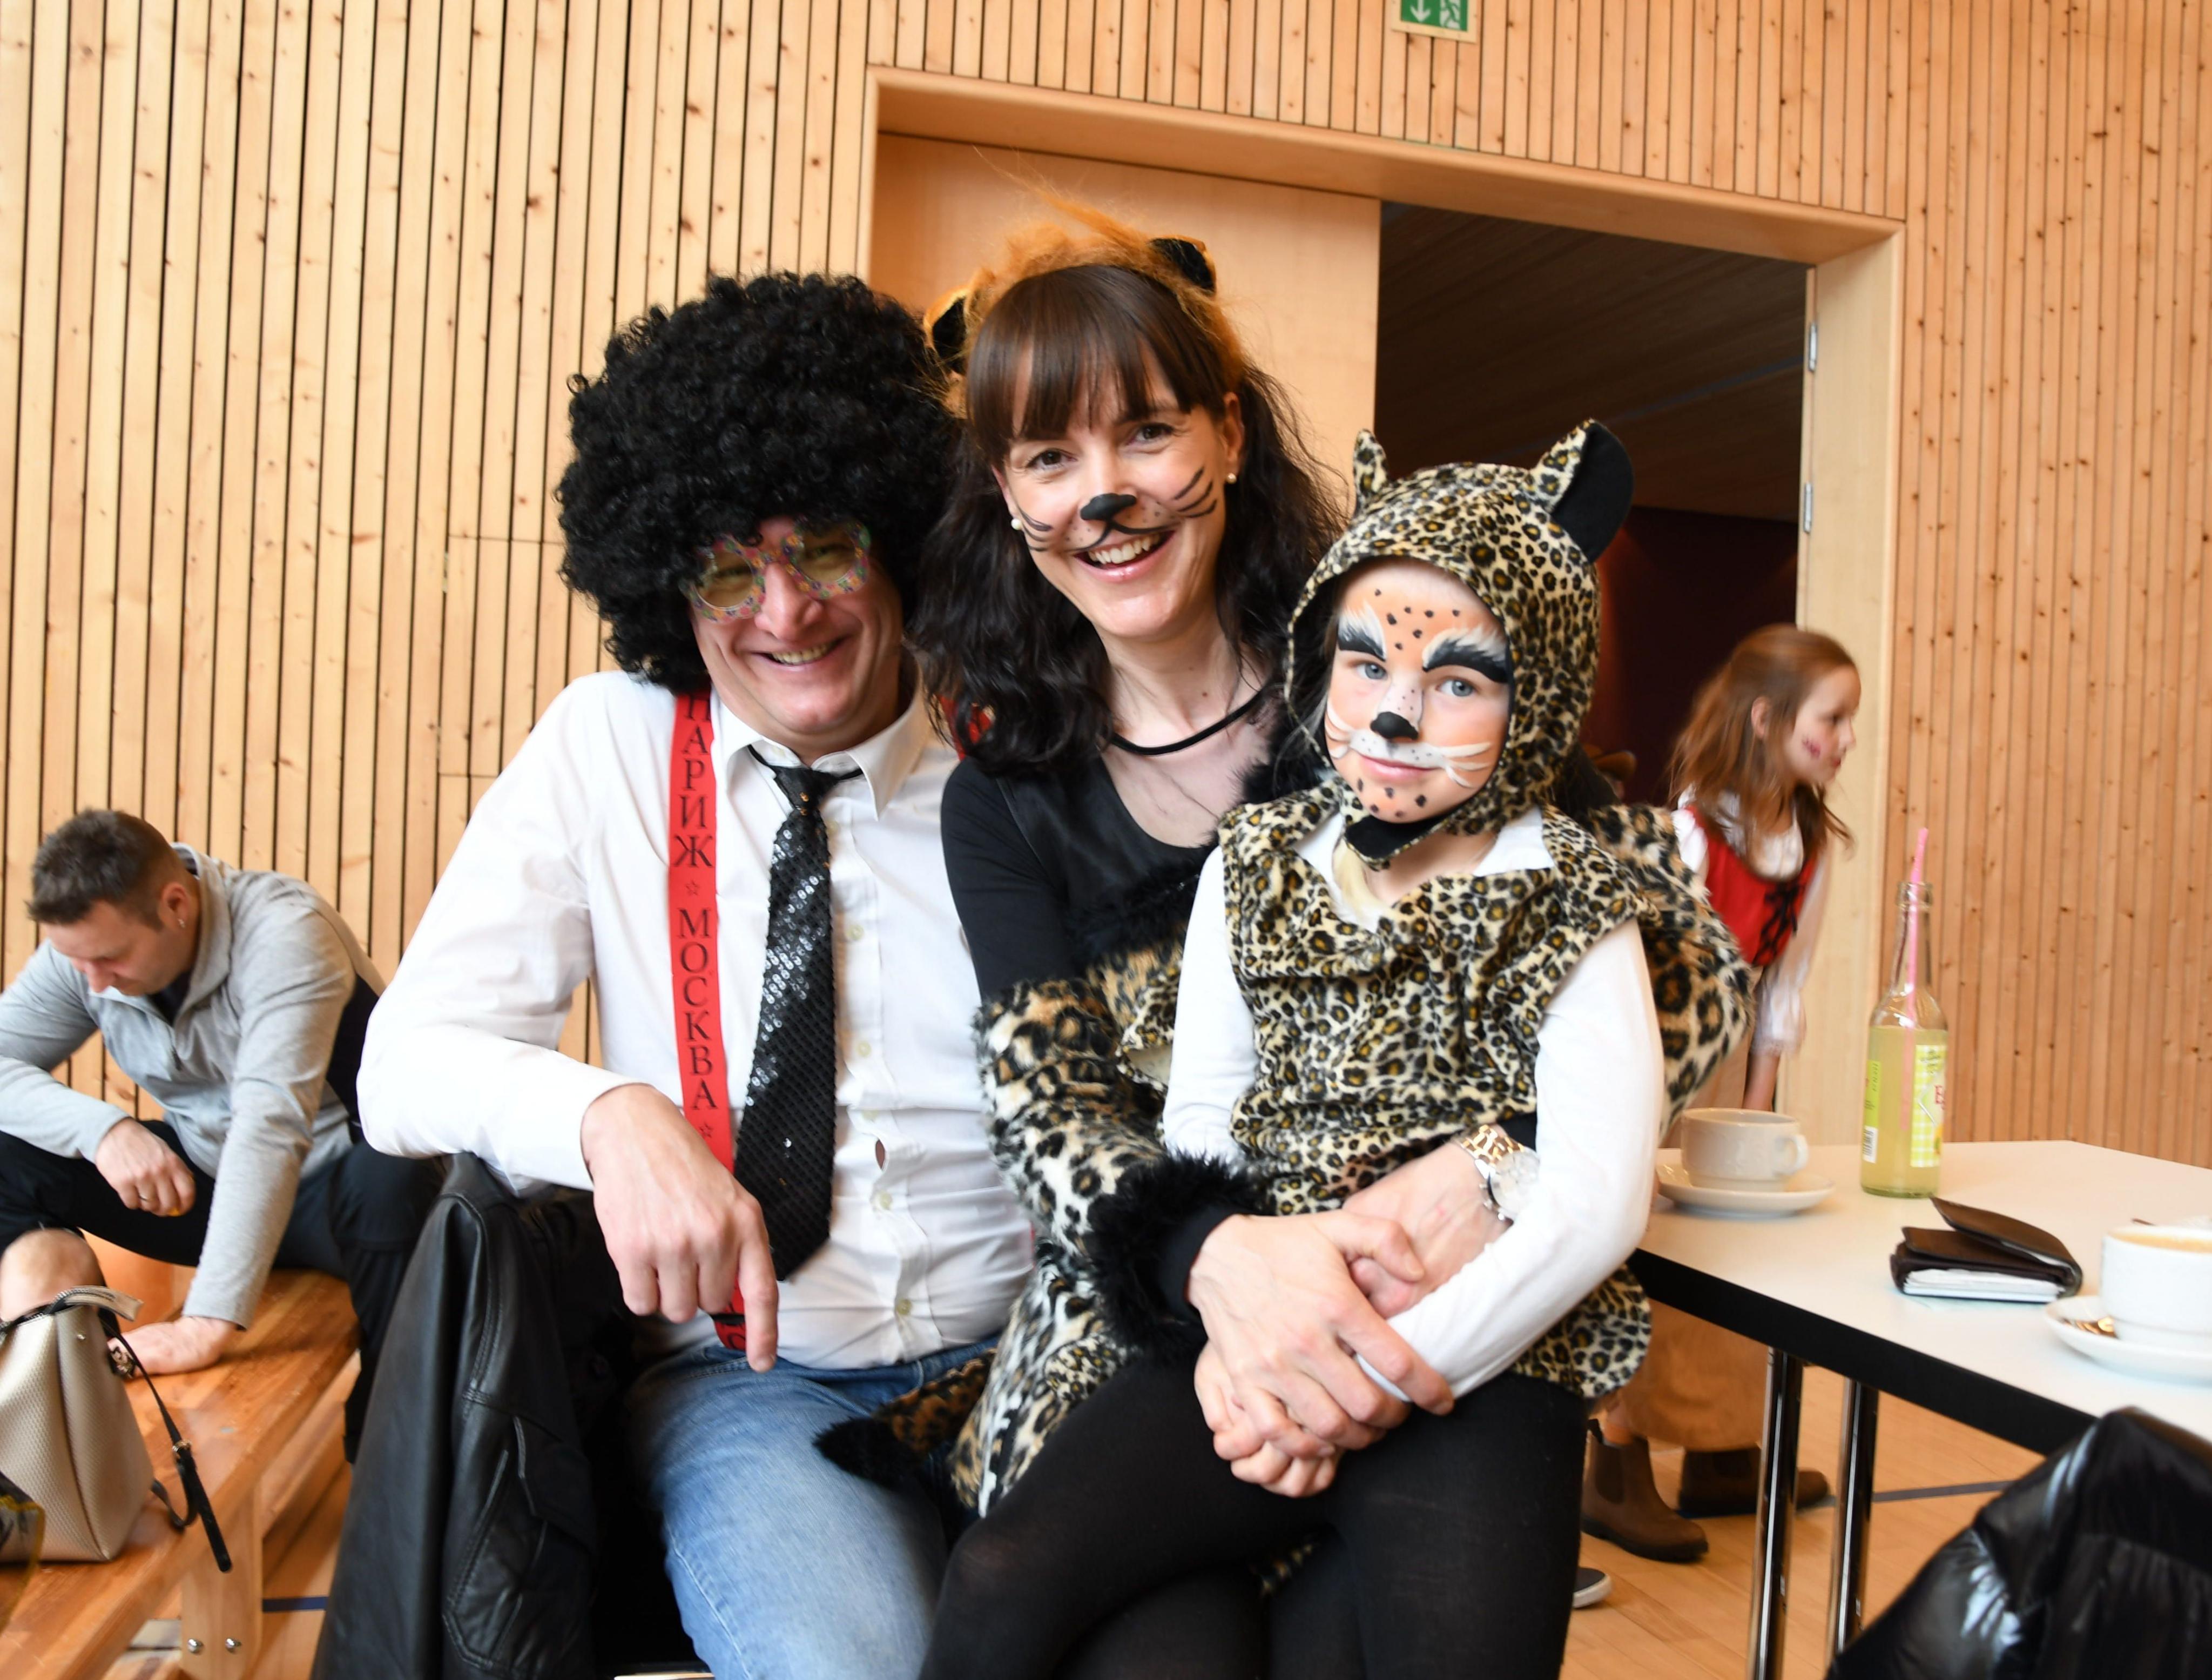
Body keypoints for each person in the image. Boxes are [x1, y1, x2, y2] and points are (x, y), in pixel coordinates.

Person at [915, 424, 1754, 1676]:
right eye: (1365, 663)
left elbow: (1593, 1200)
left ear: (1535, 695)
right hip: (1260, 1314)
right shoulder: (1255, 861)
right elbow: (1201, 1112)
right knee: (1001, 1576)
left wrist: (1375, 1370)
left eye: (1458, 681)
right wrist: (1251, 1342)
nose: (1398, 712)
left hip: (1480, 1344)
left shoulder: (1575, 893)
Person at [353, 272, 1034, 1679]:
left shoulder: (1014, 741)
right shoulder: (605, 744)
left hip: (1039, 1355)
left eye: (826, 548)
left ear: (900, 532)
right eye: (729, 569)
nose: (785, 610)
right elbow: (401, 1065)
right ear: (668, 582)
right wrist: (610, 1116)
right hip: (758, 1383)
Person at [0, 808, 440, 1447]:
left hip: (341, 1196)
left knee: (394, 1174)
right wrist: (104, 1130)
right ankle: (53, 1420)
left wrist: (207, 1320)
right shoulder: (86, 953)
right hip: (205, 1183)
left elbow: (270, 1126)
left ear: (176, 904)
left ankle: (392, 1447)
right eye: (76, 960)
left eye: (111, 957)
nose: (92, 980)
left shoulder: (286, 931)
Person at [1582, 626, 1860, 1561]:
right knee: (1646, 1249)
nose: (1846, 739)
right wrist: (1654, 1119)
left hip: (1736, 1067)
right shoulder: (1691, 835)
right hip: (1659, 1059)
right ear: (1767, 718)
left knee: (1741, 1246)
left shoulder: (1813, 845)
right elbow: (1654, 984)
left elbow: (1784, 985)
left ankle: (1725, 1450)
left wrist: (1754, 1115)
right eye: (1833, 718)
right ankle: (1617, 1463)